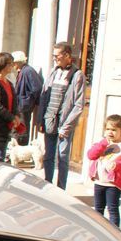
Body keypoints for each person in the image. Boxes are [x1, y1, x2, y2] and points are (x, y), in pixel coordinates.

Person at [39, 41, 85, 189]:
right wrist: (41, 119)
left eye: (57, 56)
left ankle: (61, 188)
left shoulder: (77, 75)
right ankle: (47, 184)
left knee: (63, 157)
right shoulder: (53, 72)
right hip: (50, 118)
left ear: (67, 55)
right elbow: (44, 97)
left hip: (64, 122)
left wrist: (67, 126)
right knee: (48, 155)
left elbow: (78, 104)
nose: (55, 59)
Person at [87, 115, 121, 227]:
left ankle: (115, 234)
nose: (110, 132)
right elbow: (91, 155)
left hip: (113, 184)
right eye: (108, 129)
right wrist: (103, 144)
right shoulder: (102, 143)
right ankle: (98, 229)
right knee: (98, 208)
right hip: (99, 181)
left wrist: (117, 165)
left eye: (114, 130)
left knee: (112, 208)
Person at [11, 51, 43, 145]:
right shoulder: (23, 71)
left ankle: (22, 150)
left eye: (14, 63)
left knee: (22, 128)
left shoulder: (28, 71)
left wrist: (28, 100)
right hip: (21, 105)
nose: (13, 65)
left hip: (24, 106)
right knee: (18, 127)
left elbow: (37, 88)